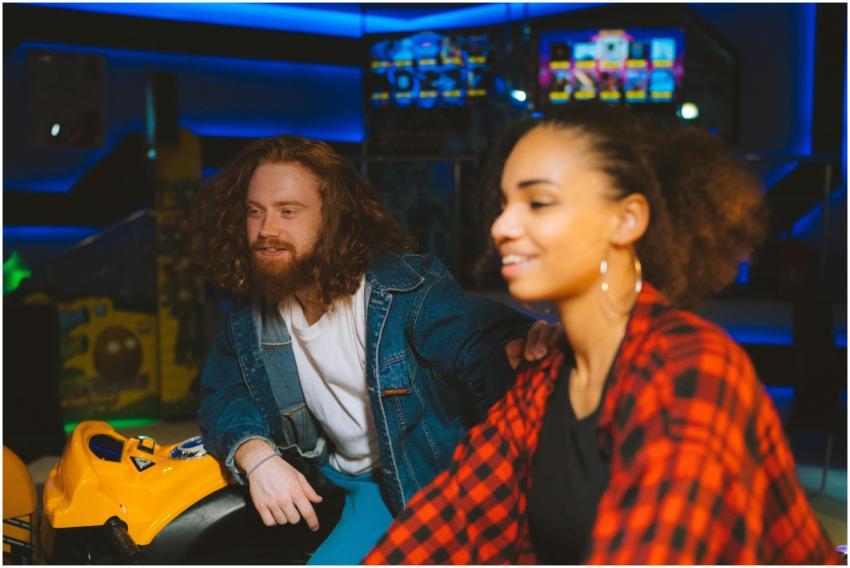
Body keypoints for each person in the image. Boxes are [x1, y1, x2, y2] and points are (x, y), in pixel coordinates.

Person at [365, 102, 839, 564]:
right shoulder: (547, 374)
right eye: (506, 204)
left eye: (539, 202)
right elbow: (453, 516)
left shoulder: (688, 368)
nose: (503, 226)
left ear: (627, 219)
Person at [188, 134, 560, 564]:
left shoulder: (403, 293)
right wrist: (255, 456)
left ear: (334, 220)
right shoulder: (252, 313)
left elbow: (478, 339)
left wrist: (528, 344)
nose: (266, 230)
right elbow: (224, 393)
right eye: (255, 212)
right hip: (338, 480)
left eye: (288, 211)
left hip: (414, 481)